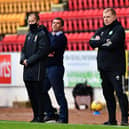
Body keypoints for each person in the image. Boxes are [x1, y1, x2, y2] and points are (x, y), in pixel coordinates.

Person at [89, 8, 128, 126]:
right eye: (104, 17)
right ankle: (112, 120)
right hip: (103, 68)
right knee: (108, 94)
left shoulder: (119, 29)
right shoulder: (101, 30)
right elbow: (91, 42)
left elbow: (113, 43)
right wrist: (104, 41)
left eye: (108, 17)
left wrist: (100, 42)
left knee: (120, 93)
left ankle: (125, 119)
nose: (105, 19)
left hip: (116, 68)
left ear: (114, 17)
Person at [20, 13, 50, 122]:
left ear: (38, 21)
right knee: (31, 95)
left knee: (38, 94)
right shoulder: (28, 34)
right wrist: (23, 59)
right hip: (27, 69)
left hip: (37, 69)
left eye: (32, 21)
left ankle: (40, 116)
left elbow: (42, 51)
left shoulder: (42, 34)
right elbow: (23, 49)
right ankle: (35, 116)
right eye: (29, 21)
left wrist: (29, 60)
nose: (30, 24)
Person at [42, 17, 68, 123]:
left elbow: (51, 47)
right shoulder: (50, 36)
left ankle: (63, 118)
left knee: (59, 93)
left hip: (55, 68)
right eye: (53, 23)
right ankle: (50, 113)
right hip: (47, 67)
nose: (54, 25)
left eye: (57, 23)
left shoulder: (62, 37)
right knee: (41, 91)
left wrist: (44, 51)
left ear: (62, 26)